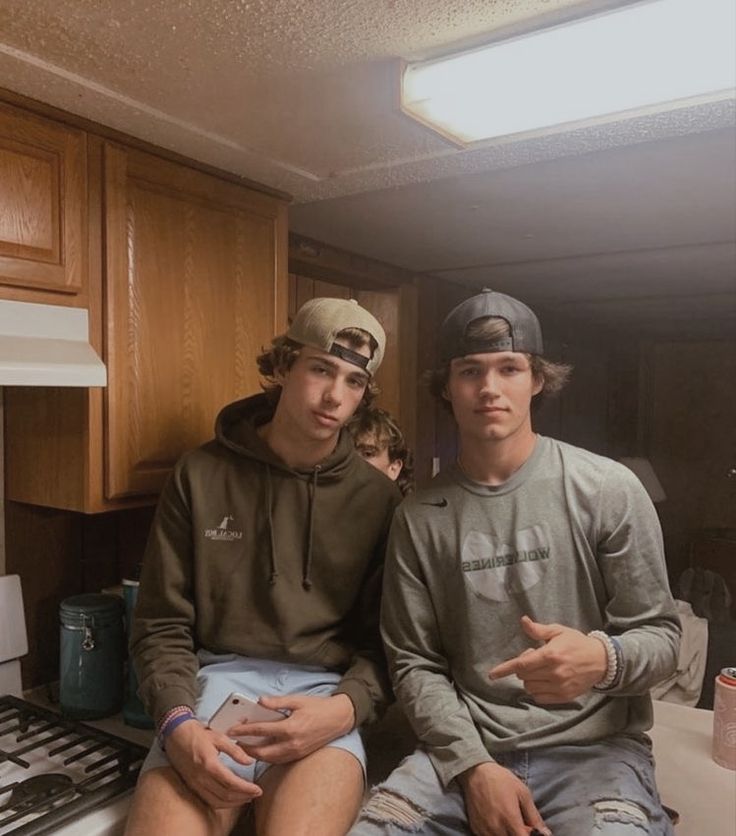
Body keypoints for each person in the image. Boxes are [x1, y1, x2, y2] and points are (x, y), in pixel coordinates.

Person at [350, 290, 681, 836]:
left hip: (595, 753)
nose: (489, 388)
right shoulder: (420, 515)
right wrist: (475, 769)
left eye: (509, 368)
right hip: (461, 754)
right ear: (447, 387)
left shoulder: (607, 490)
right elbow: (414, 664)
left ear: (538, 380)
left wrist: (603, 658)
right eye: (469, 371)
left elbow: (664, 639)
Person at [125, 297, 402, 836]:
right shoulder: (200, 474)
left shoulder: (379, 502)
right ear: (281, 367)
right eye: (321, 368)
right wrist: (176, 722)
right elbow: (160, 624)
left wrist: (346, 709)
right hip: (211, 692)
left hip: (322, 700)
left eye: (353, 381)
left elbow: (388, 644)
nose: (334, 396)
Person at [348, 405, 414, 496]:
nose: (352, 462)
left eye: (367, 454)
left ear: (393, 468)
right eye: (347, 454)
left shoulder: (407, 509)